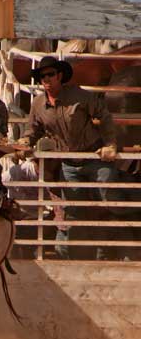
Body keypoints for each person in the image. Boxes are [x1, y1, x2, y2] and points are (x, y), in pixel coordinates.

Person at [19, 56, 119, 259]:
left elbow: (104, 116)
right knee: (73, 210)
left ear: (60, 75)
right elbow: (32, 130)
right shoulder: (38, 104)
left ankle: (107, 250)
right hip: (68, 163)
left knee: (107, 197)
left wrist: (110, 144)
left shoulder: (80, 96)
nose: (46, 79)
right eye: (42, 76)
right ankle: (67, 255)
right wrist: (24, 143)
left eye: (50, 74)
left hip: (94, 157)